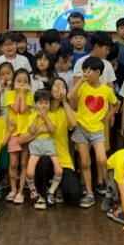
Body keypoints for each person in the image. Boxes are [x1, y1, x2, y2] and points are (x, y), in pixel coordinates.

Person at [67, 56, 120, 208]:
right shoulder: (83, 86)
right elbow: (69, 96)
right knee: (85, 163)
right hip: (81, 128)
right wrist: (80, 80)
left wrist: (107, 116)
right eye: (83, 70)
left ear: (97, 72)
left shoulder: (106, 90)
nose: (85, 73)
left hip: (97, 129)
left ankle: (110, 190)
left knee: (102, 159)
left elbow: (116, 104)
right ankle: (89, 193)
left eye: (88, 71)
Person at [27, 77, 81, 207]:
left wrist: (65, 101)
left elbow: (73, 124)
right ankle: (42, 194)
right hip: (44, 156)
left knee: (74, 194)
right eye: (56, 86)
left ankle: (58, 187)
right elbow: (23, 137)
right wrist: (40, 130)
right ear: (49, 89)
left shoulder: (65, 111)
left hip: (62, 159)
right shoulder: (40, 112)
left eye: (63, 86)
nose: (60, 89)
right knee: (43, 164)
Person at [23, 89, 63, 207]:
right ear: (36, 104)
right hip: (35, 146)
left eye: (46, 102)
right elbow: (31, 131)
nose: (43, 105)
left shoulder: (52, 115)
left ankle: (51, 191)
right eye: (40, 102)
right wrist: (37, 117)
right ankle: (32, 189)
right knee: (30, 172)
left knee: (59, 170)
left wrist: (45, 117)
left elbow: (52, 130)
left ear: (50, 104)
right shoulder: (32, 116)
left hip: (48, 145)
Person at [5, 69, 34, 203]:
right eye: (19, 81)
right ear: (13, 82)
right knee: (13, 163)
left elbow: (22, 109)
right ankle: (13, 189)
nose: (22, 84)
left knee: (24, 163)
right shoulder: (9, 94)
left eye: (25, 82)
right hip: (13, 133)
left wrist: (22, 93)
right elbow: (15, 107)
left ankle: (21, 192)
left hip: (26, 133)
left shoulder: (30, 95)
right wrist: (18, 93)